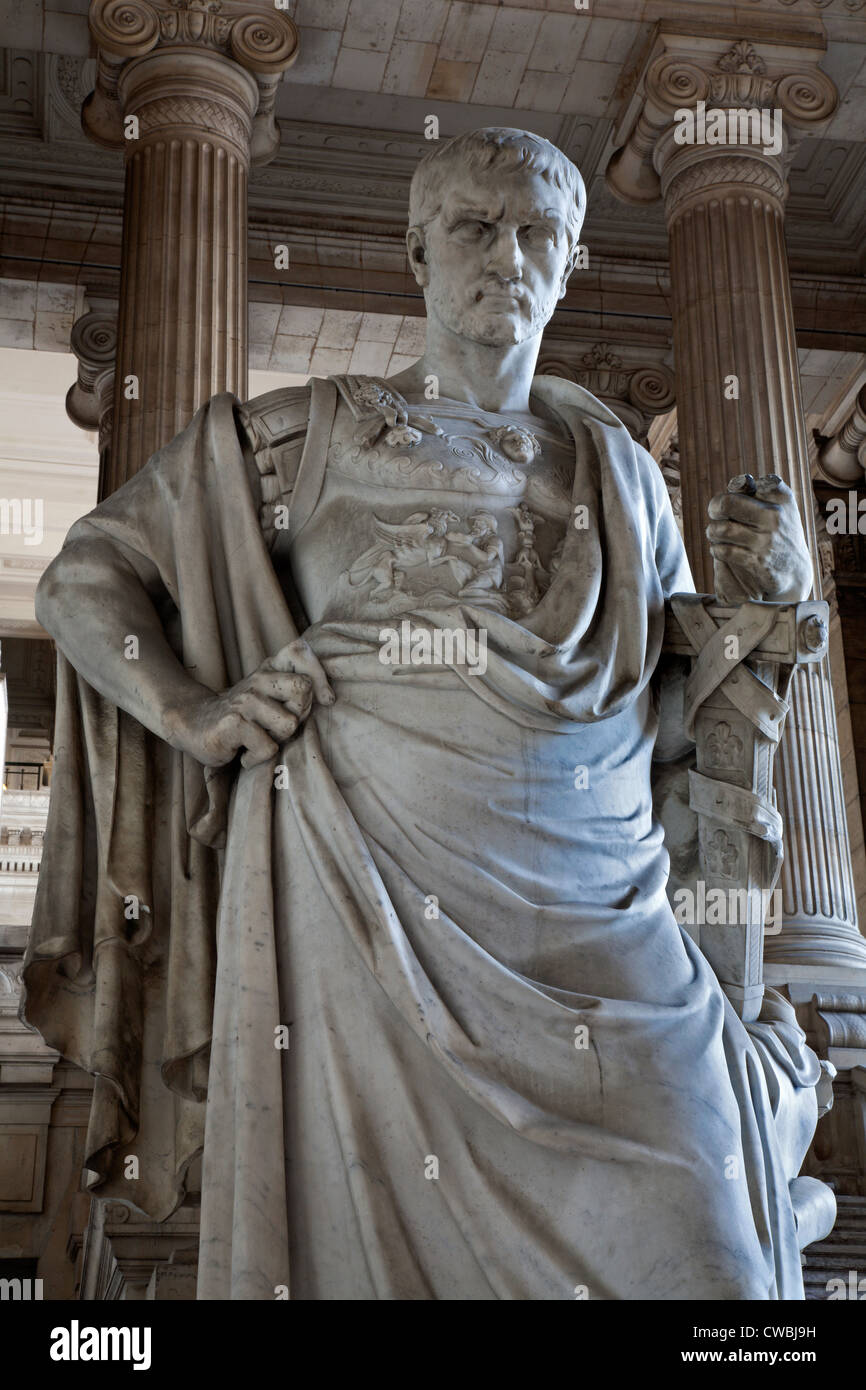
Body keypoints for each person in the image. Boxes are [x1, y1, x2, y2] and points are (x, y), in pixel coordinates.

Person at [25, 127, 820, 1300]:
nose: (506, 255)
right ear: (416, 250)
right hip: (359, 892)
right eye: (473, 227)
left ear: (572, 260)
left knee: (713, 1254)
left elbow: (677, 723)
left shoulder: (622, 475)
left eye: (536, 232)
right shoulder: (307, 439)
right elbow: (83, 578)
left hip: (601, 911)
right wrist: (194, 711)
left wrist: (772, 601)